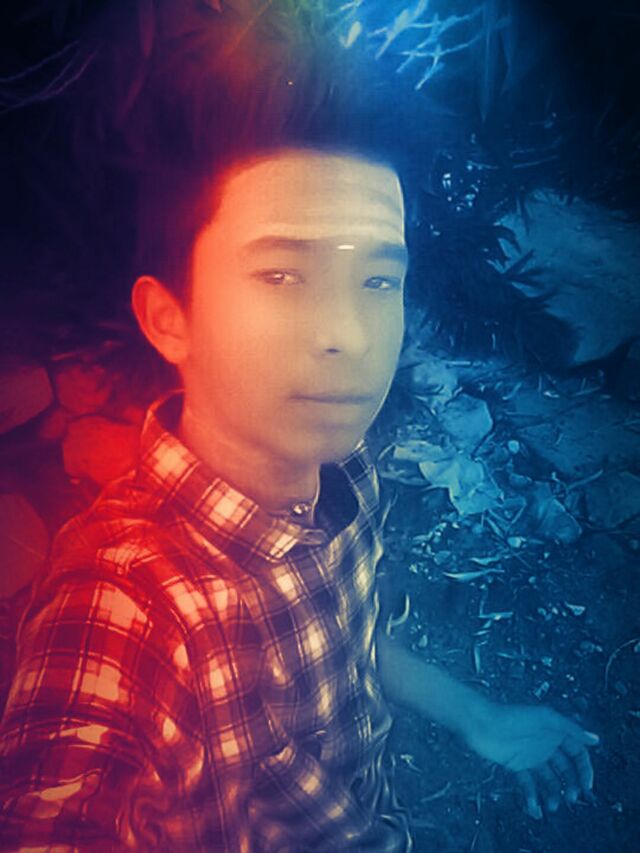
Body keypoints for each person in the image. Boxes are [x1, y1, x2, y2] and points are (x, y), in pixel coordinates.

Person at [0, 3, 599, 850]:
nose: (347, 334)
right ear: (169, 318)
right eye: (282, 274)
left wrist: (478, 715)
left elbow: (335, 635)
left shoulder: (343, 472)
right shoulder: (124, 605)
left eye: (378, 281)